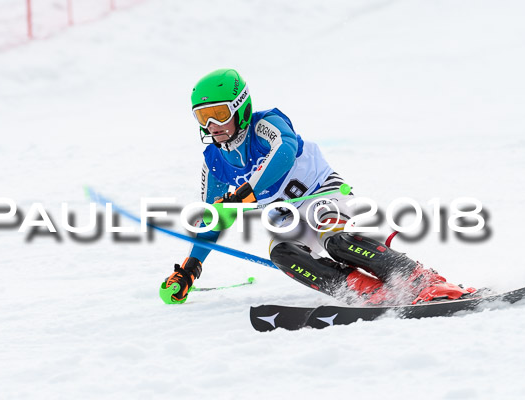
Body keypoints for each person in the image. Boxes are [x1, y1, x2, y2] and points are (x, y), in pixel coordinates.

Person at [161, 68, 475, 305]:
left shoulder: (266, 124)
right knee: (282, 253)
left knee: (336, 242)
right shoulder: (214, 162)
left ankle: (419, 279)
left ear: (240, 107)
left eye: (218, 114)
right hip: (288, 218)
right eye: (202, 117)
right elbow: (213, 221)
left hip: (321, 195)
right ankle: (366, 291)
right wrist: (190, 269)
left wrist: (246, 194)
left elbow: (284, 152)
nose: (211, 126)